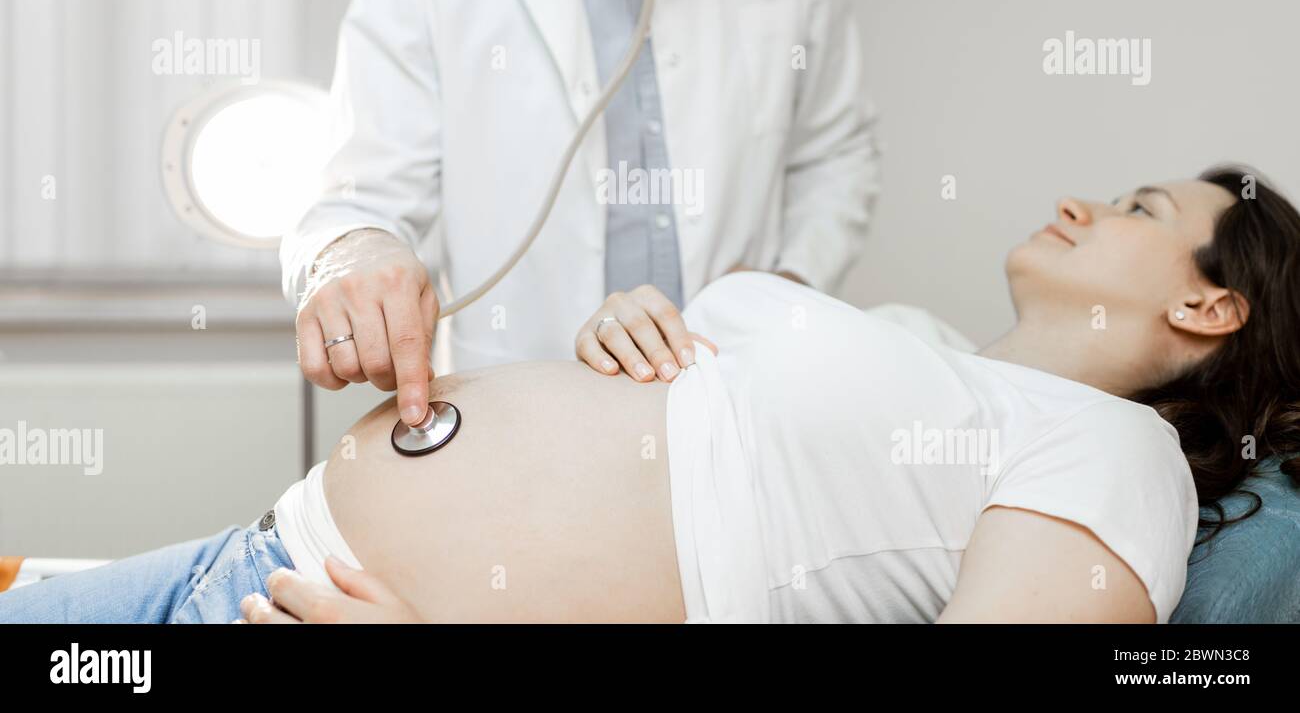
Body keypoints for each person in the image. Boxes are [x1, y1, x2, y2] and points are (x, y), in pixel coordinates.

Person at [5, 166, 1298, 624]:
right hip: (251, 553)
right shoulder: (912, 344)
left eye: (1138, 208)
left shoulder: (1116, 458)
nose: (1082, 198)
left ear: (1211, 306)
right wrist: (644, 340)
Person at [280, 0, 882, 434]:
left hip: (735, 412)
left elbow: (839, 152)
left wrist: (785, 286)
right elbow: (360, 197)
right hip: (523, 423)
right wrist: (355, 252)